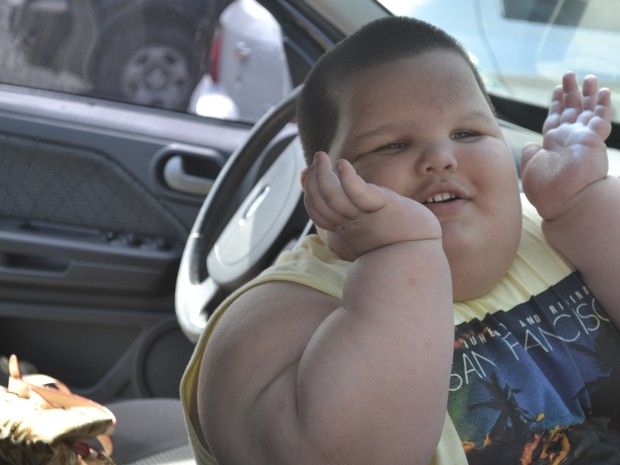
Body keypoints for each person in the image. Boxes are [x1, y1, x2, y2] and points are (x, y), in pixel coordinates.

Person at [180, 15, 620, 465]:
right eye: (392, 145)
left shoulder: (549, 229)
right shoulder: (277, 314)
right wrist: (401, 254)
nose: (440, 158)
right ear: (321, 183)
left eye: (467, 133)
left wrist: (584, 203)